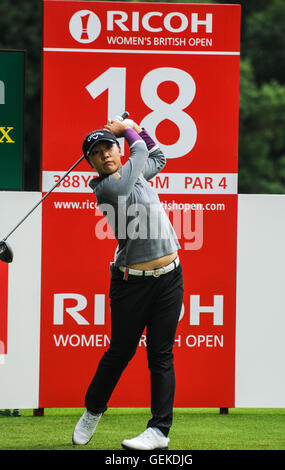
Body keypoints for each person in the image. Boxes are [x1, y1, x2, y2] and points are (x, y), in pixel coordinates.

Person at [72, 117, 184, 450]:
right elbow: (138, 158)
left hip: (169, 278)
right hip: (130, 283)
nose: (104, 154)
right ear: (91, 163)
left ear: (117, 151)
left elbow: (158, 158)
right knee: (120, 352)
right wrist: (127, 130)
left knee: (161, 356)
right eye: (96, 152)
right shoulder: (106, 188)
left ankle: (159, 431)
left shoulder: (137, 175)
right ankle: (93, 410)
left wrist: (138, 130)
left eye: (108, 146)